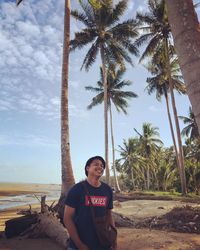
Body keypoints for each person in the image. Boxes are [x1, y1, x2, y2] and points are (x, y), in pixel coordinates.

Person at [64, 156, 117, 250]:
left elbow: (109, 215)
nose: (100, 167)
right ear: (87, 168)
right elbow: (67, 218)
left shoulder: (107, 190)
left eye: (102, 166)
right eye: (96, 164)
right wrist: (80, 245)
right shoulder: (76, 189)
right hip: (78, 246)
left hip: (103, 244)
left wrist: (113, 240)